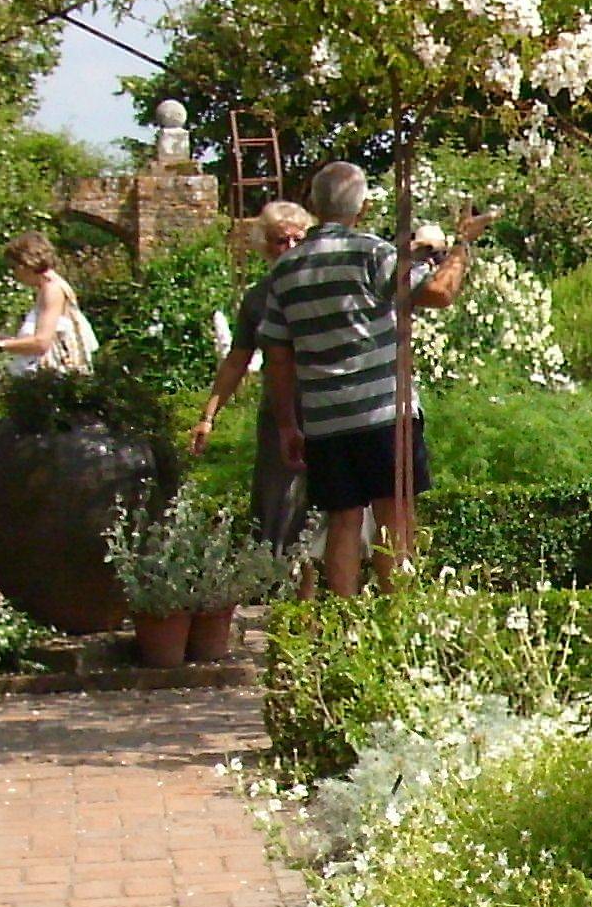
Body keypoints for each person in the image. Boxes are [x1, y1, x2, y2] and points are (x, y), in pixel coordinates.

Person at [251, 160, 472, 597]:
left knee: (343, 521)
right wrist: (462, 245)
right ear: (363, 206)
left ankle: (345, 623)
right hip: (384, 411)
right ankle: (398, 621)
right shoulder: (374, 253)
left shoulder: (285, 271)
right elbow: (438, 293)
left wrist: (285, 425)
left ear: (313, 204)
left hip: (324, 418)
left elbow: (277, 357)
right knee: (395, 516)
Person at [192, 198, 313, 553]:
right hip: (280, 410)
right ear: (266, 245)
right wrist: (208, 416)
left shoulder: (323, 287)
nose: (288, 247)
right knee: (279, 502)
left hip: (328, 404)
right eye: (279, 240)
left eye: (296, 239)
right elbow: (237, 360)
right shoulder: (258, 297)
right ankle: (278, 586)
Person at [0, 232, 96, 374]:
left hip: (53, 383)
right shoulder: (48, 288)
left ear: (26, 263)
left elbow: (41, 344)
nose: (14, 274)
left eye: (14, 267)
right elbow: (45, 341)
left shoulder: (52, 290)